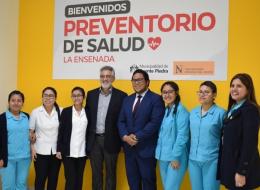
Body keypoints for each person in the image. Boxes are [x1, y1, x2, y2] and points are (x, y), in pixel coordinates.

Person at [118, 69, 165, 190]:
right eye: (134, 80)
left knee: (148, 182)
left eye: (139, 80)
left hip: (146, 150)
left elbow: (154, 123)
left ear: (147, 82)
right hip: (129, 149)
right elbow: (121, 121)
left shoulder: (156, 99)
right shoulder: (127, 99)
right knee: (133, 183)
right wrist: (125, 137)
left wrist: (136, 136)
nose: (136, 83)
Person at [85, 66, 127, 190]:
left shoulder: (122, 96)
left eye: (108, 76)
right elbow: (87, 118)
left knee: (111, 173)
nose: (105, 79)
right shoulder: (91, 94)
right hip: (94, 141)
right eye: (102, 76)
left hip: (112, 140)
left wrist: (122, 143)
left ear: (113, 78)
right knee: (96, 173)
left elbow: (123, 120)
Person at [218, 73, 260, 190]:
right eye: (232, 85)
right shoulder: (234, 107)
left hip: (240, 168)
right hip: (230, 164)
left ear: (248, 89)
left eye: (239, 86)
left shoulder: (250, 110)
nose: (234, 89)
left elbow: (250, 143)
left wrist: (242, 171)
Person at [189, 81, 225, 190]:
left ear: (214, 95)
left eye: (206, 92)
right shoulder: (193, 112)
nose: (202, 94)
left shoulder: (221, 113)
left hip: (212, 161)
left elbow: (226, 139)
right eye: (200, 92)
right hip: (193, 160)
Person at [155, 81, 189, 190]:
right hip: (163, 156)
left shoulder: (181, 111)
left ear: (176, 93)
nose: (167, 95)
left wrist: (175, 157)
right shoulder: (166, 110)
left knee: (171, 188)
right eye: (164, 92)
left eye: (170, 92)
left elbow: (182, 135)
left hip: (175, 157)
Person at [29, 87, 62, 190]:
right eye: (45, 95)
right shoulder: (35, 112)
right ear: (42, 97)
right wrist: (32, 149)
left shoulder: (61, 111)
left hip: (56, 152)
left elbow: (64, 132)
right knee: (40, 179)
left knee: (53, 179)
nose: (48, 98)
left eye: (51, 96)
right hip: (40, 152)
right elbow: (31, 132)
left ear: (55, 98)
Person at [56, 87, 88, 190]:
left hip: (82, 152)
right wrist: (59, 149)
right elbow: (61, 131)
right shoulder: (66, 111)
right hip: (68, 152)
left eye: (79, 95)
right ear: (71, 97)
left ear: (83, 97)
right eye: (74, 95)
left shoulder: (88, 112)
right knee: (70, 179)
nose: (76, 98)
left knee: (79, 180)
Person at [0, 90, 31, 190]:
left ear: (22, 103)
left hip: (25, 158)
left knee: (21, 185)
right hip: (8, 159)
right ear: (9, 102)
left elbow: (31, 135)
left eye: (19, 100)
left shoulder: (27, 117)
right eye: (13, 100)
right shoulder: (2, 118)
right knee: (8, 186)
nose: (16, 103)